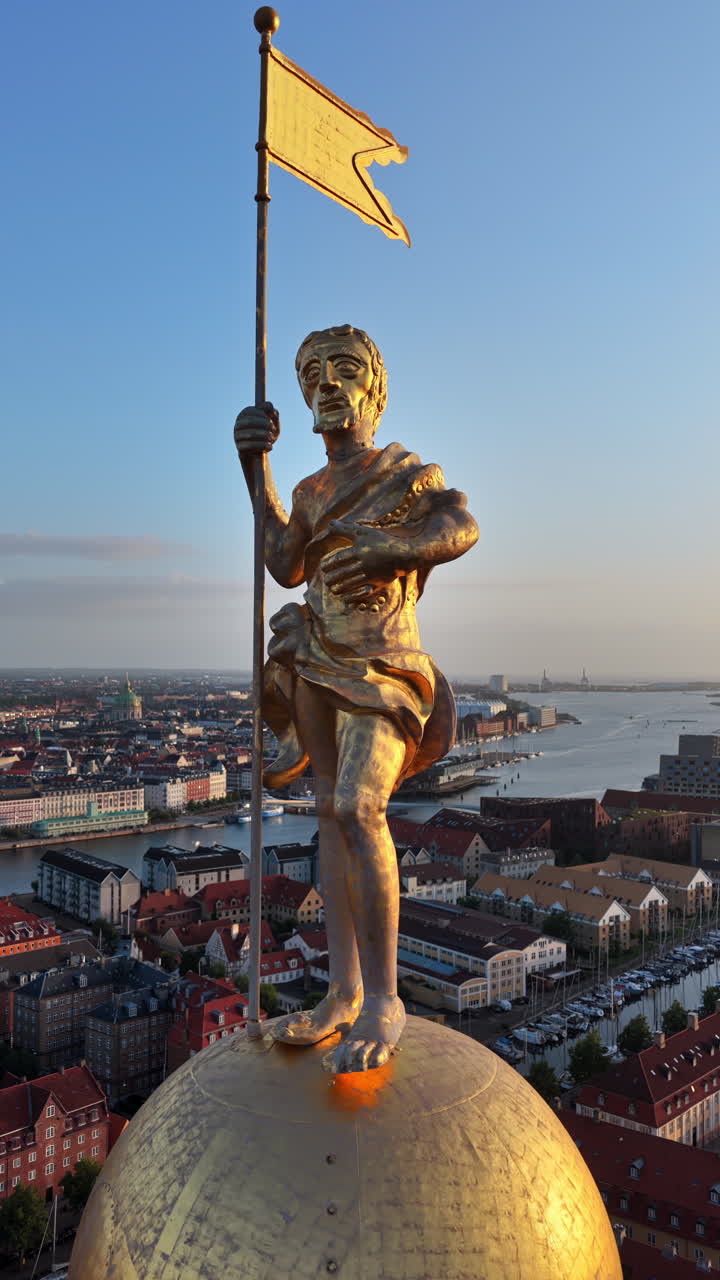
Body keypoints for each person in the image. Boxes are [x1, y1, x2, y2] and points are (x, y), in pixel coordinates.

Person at [234, 324, 478, 1072]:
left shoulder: (406, 472)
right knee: (329, 822)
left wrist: (391, 548)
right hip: (316, 654)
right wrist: (255, 467)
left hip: (384, 662)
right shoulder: (310, 490)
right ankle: (342, 992)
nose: (327, 384)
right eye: (313, 374)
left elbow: (460, 524)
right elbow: (284, 561)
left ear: (374, 388)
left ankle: (385, 998)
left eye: (345, 370)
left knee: (358, 807)